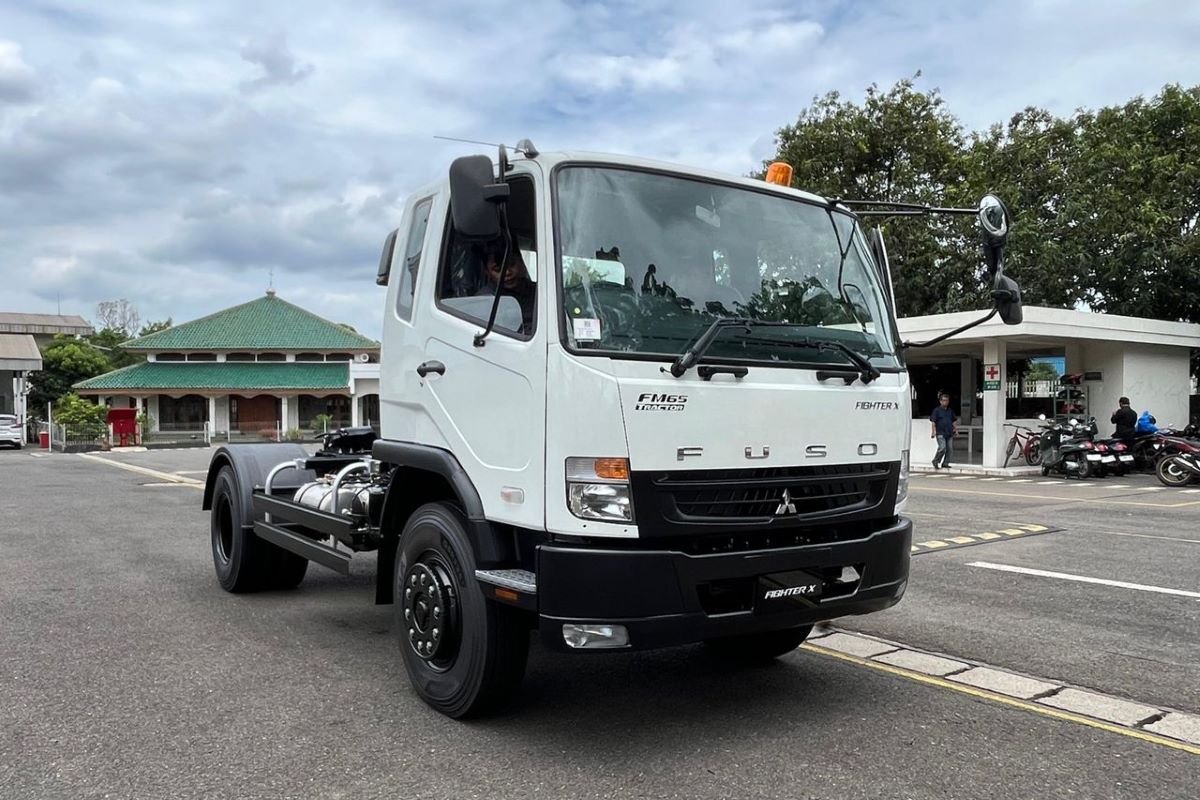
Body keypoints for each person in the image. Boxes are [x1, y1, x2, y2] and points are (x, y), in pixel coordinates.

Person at [475, 237, 536, 334]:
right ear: (487, 271)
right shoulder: (484, 301)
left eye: (511, 264)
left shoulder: (540, 293)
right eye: (498, 270)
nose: (507, 273)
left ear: (521, 262)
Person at [929, 392, 958, 469]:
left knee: (950, 449)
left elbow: (954, 421)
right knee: (942, 448)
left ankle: (945, 463)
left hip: (949, 432)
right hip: (940, 432)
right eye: (944, 400)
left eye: (947, 400)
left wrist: (956, 429)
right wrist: (933, 431)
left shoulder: (950, 411)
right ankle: (936, 460)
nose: (945, 402)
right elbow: (933, 422)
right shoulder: (937, 410)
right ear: (940, 401)